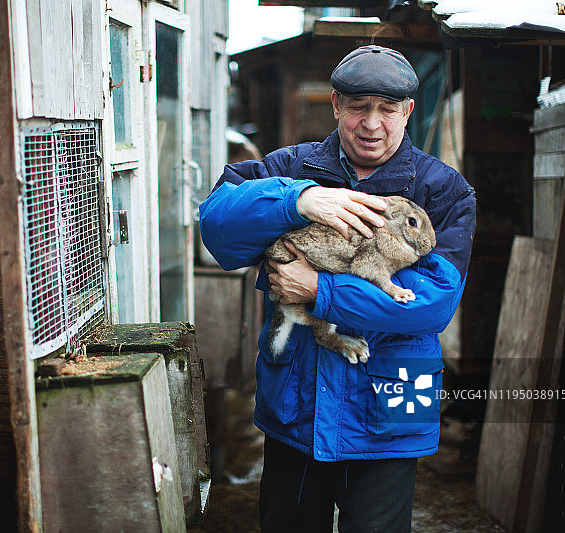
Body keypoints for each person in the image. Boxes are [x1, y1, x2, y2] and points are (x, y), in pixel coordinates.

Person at [199, 45, 476, 533]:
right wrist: (299, 200)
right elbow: (217, 231)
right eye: (358, 107)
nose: (372, 124)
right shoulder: (291, 168)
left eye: (387, 109)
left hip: (389, 413)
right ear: (335, 105)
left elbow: (431, 307)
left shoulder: (443, 190)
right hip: (295, 408)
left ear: (408, 111)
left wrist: (318, 289)